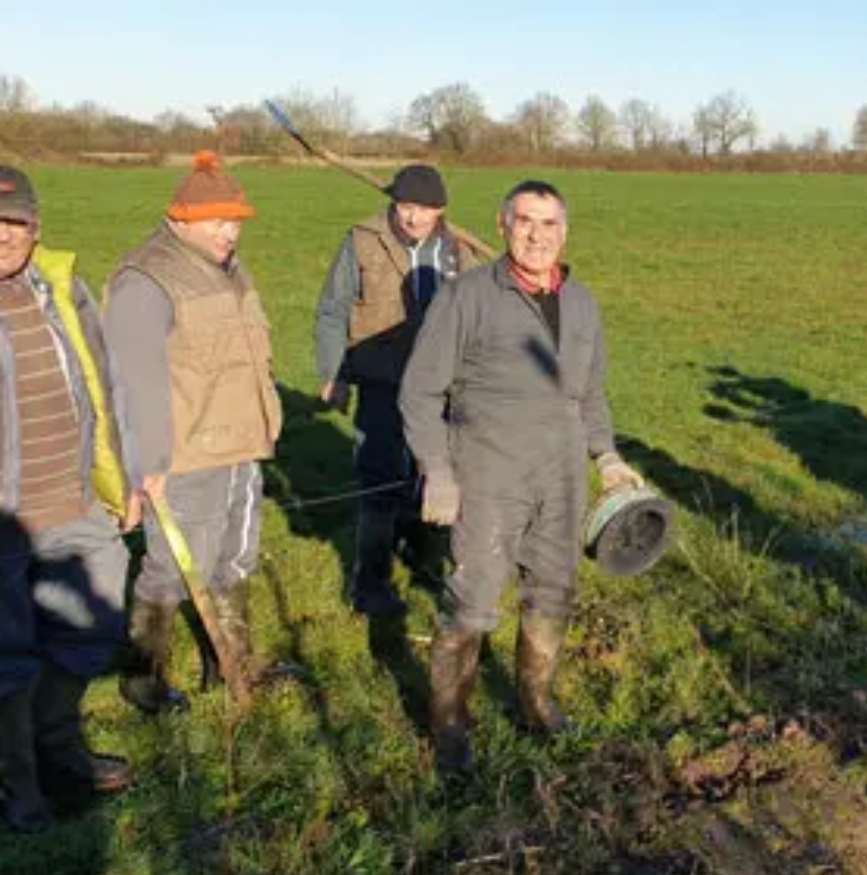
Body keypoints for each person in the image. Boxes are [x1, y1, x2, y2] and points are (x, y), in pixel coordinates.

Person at [400, 180, 646, 774]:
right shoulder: (466, 297)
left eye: (550, 224)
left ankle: (537, 706)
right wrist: (437, 471)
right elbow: (419, 390)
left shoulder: (582, 302)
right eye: (526, 222)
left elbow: (589, 393)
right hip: (488, 469)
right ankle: (451, 726)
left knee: (554, 589)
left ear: (566, 231)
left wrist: (606, 457)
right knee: (474, 596)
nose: (538, 236)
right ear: (503, 224)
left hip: (561, 475)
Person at [104, 151, 285, 712]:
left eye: (236, 221)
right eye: (217, 221)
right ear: (180, 218)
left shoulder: (228, 266)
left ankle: (232, 665)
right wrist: (147, 465)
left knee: (234, 561)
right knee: (172, 571)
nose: (230, 231)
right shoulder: (147, 279)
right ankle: (144, 681)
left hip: (240, 446)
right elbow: (133, 383)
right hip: (184, 457)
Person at [0, 166, 139, 829]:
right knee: (7, 657)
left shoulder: (61, 288)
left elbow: (102, 385)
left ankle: (56, 747)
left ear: (36, 229)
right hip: (5, 519)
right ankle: (18, 793)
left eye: (15, 222)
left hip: (75, 500)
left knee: (95, 621)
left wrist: (122, 477)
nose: (2, 235)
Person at [314, 164, 482, 617]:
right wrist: (334, 374)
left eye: (424, 210)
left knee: (438, 477)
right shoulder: (362, 241)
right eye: (406, 207)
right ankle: (370, 585)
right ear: (394, 204)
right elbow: (333, 309)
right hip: (381, 380)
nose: (413, 218)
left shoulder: (458, 250)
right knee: (379, 480)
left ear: (441, 211)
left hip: (444, 387)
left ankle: (426, 564)